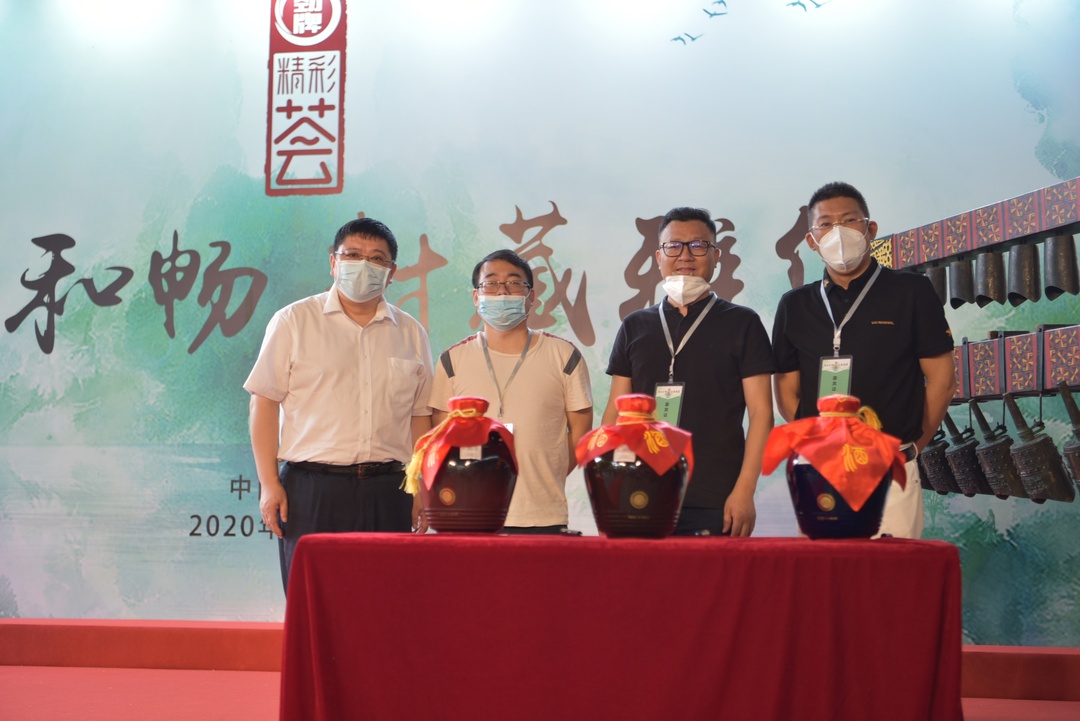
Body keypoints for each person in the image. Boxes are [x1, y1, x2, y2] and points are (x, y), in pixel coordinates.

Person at [244, 217, 434, 593]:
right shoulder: (294, 321)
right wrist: (268, 484)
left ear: (392, 272)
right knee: (314, 603)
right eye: (353, 255)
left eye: (377, 258)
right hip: (312, 491)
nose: (364, 265)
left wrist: (420, 488)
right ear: (333, 262)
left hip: (389, 490)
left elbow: (420, 417)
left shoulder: (411, 333)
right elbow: (263, 402)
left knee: (386, 603)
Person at [771, 181, 956, 539]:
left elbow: (942, 382)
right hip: (817, 472)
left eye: (849, 220)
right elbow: (787, 393)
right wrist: (817, 448)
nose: (838, 232)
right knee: (822, 569)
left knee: (889, 570)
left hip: (891, 466)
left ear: (870, 229)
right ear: (812, 240)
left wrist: (911, 446)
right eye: (825, 224)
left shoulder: (911, 291)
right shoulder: (794, 305)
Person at [603, 207, 775, 536]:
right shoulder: (634, 325)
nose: (685, 255)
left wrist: (744, 491)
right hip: (640, 492)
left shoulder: (743, 323)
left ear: (716, 256)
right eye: (673, 246)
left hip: (715, 498)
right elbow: (615, 411)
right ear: (658, 257)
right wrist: (609, 489)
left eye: (698, 245)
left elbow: (762, 413)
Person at [429, 249, 593, 533]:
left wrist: (546, 474)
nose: (502, 291)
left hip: (543, 516)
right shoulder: (452, 361)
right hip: (469, 515)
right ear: (476, 297)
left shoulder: (564, 356)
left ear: (531, 296)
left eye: (514, 283)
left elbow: (580, 432)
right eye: (491, 283)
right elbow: (440, 438)